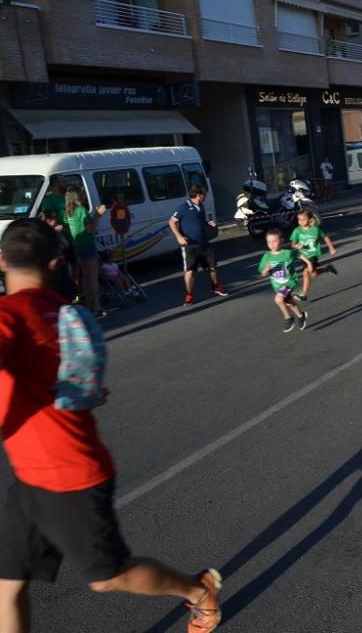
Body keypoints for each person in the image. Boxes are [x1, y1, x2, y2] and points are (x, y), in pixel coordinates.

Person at [0, 219, 223, 633]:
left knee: (107, 577)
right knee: (6, 586)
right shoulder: (65, 314)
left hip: (69, 475)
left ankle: (198, 590)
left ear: (0, 261)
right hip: (31, 475)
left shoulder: (10, 316)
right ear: (57, 261)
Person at [169, 185, 227, 306]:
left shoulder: (201, 206)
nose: (205, 196)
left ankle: (215, 287)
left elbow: (200, 221)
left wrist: (208, 223)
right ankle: (189, 295)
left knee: (212, 266)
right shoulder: (183, 207)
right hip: (190, 245)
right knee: (190, 271)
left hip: (204, 243)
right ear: (199, 195)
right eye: (204, 194)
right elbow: (171, 222)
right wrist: (179, 237)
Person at [63, 188, 106, 316]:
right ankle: (97, 306)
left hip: (77, 244)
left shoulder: (68, 211)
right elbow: (90, 230)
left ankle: (88, 304)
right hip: (87, 244)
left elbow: (70, 227)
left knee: (85, 275)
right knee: (93, 276)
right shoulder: (82, 210)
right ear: (78, 197)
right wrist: (98, 214)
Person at [259, 228, 310, 332]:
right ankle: (301, 316)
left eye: (274, 241)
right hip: (277, 285)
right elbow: (262, 273)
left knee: (278, 299)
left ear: (281, 240)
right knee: (288, 302)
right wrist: (266, 269)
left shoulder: (287, 253)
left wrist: (308, 263)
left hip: (289, 282)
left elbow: (298, 253)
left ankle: (288, 318)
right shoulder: (267, 256)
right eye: (269, 242)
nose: (272, 244)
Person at [290, 210, 337, 300]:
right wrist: (296, 245)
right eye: (299, 219)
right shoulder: (297, 231)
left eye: (303, 219)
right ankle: (328, 269)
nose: (301, 221)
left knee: (306, 273)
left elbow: (325, 237)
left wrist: (331, 248)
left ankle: (303, 294)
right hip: (302, 256)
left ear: (310, 220)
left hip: (313, 255)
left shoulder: (316, 230)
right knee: (313, 274)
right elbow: (292, 244)